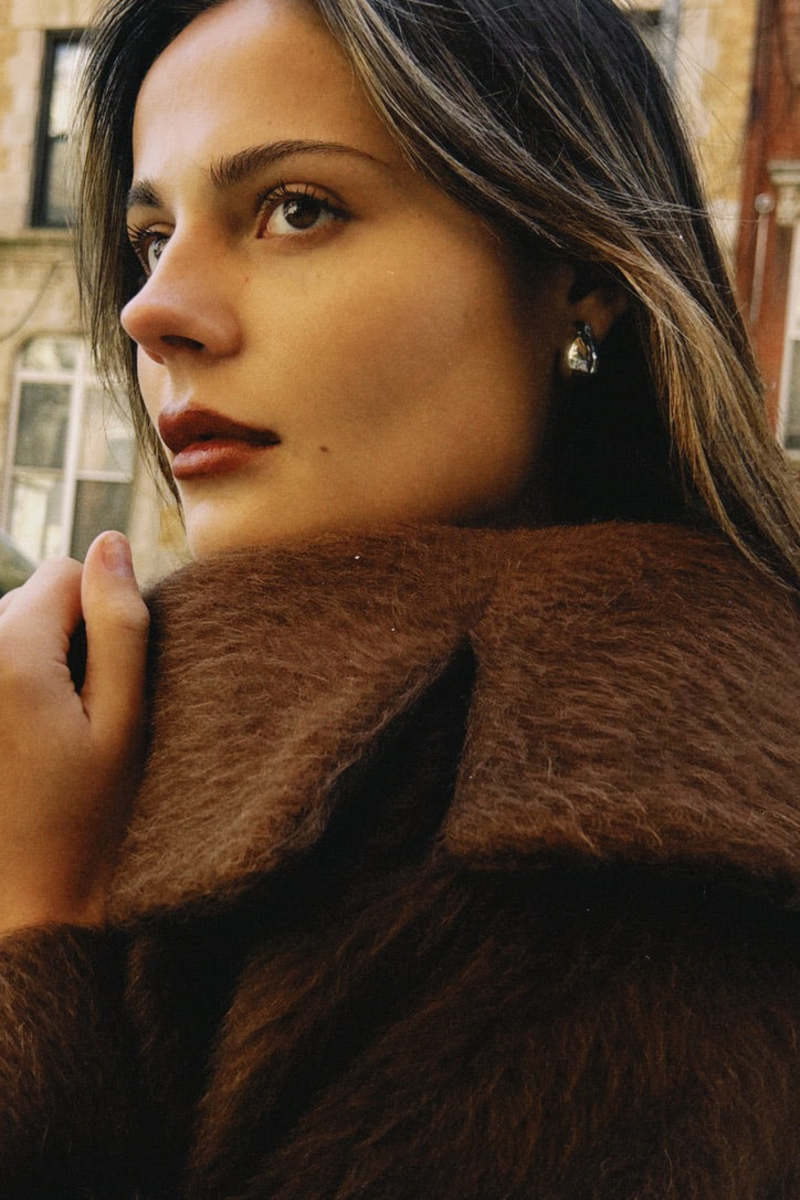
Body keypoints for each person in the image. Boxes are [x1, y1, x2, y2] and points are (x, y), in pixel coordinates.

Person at [1, 0, 800, 1194]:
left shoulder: (597, 844)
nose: (150, 310)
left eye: (296, 209)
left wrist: (37, 924)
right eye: (152, 236)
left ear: (579, 271)